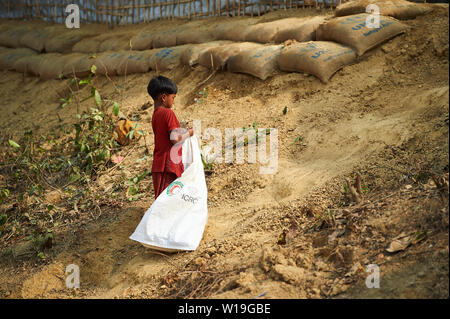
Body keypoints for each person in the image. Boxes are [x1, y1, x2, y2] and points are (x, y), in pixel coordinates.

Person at [147, 75, 193, 199]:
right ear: (163, 97)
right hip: (169, 165)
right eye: (173, 97)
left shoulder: (155, 115)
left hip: (158, 164)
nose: (173, 101)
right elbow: (174, 139)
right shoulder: (168, 113)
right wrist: (189, 133)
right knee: (171, 201)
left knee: (162, 201)